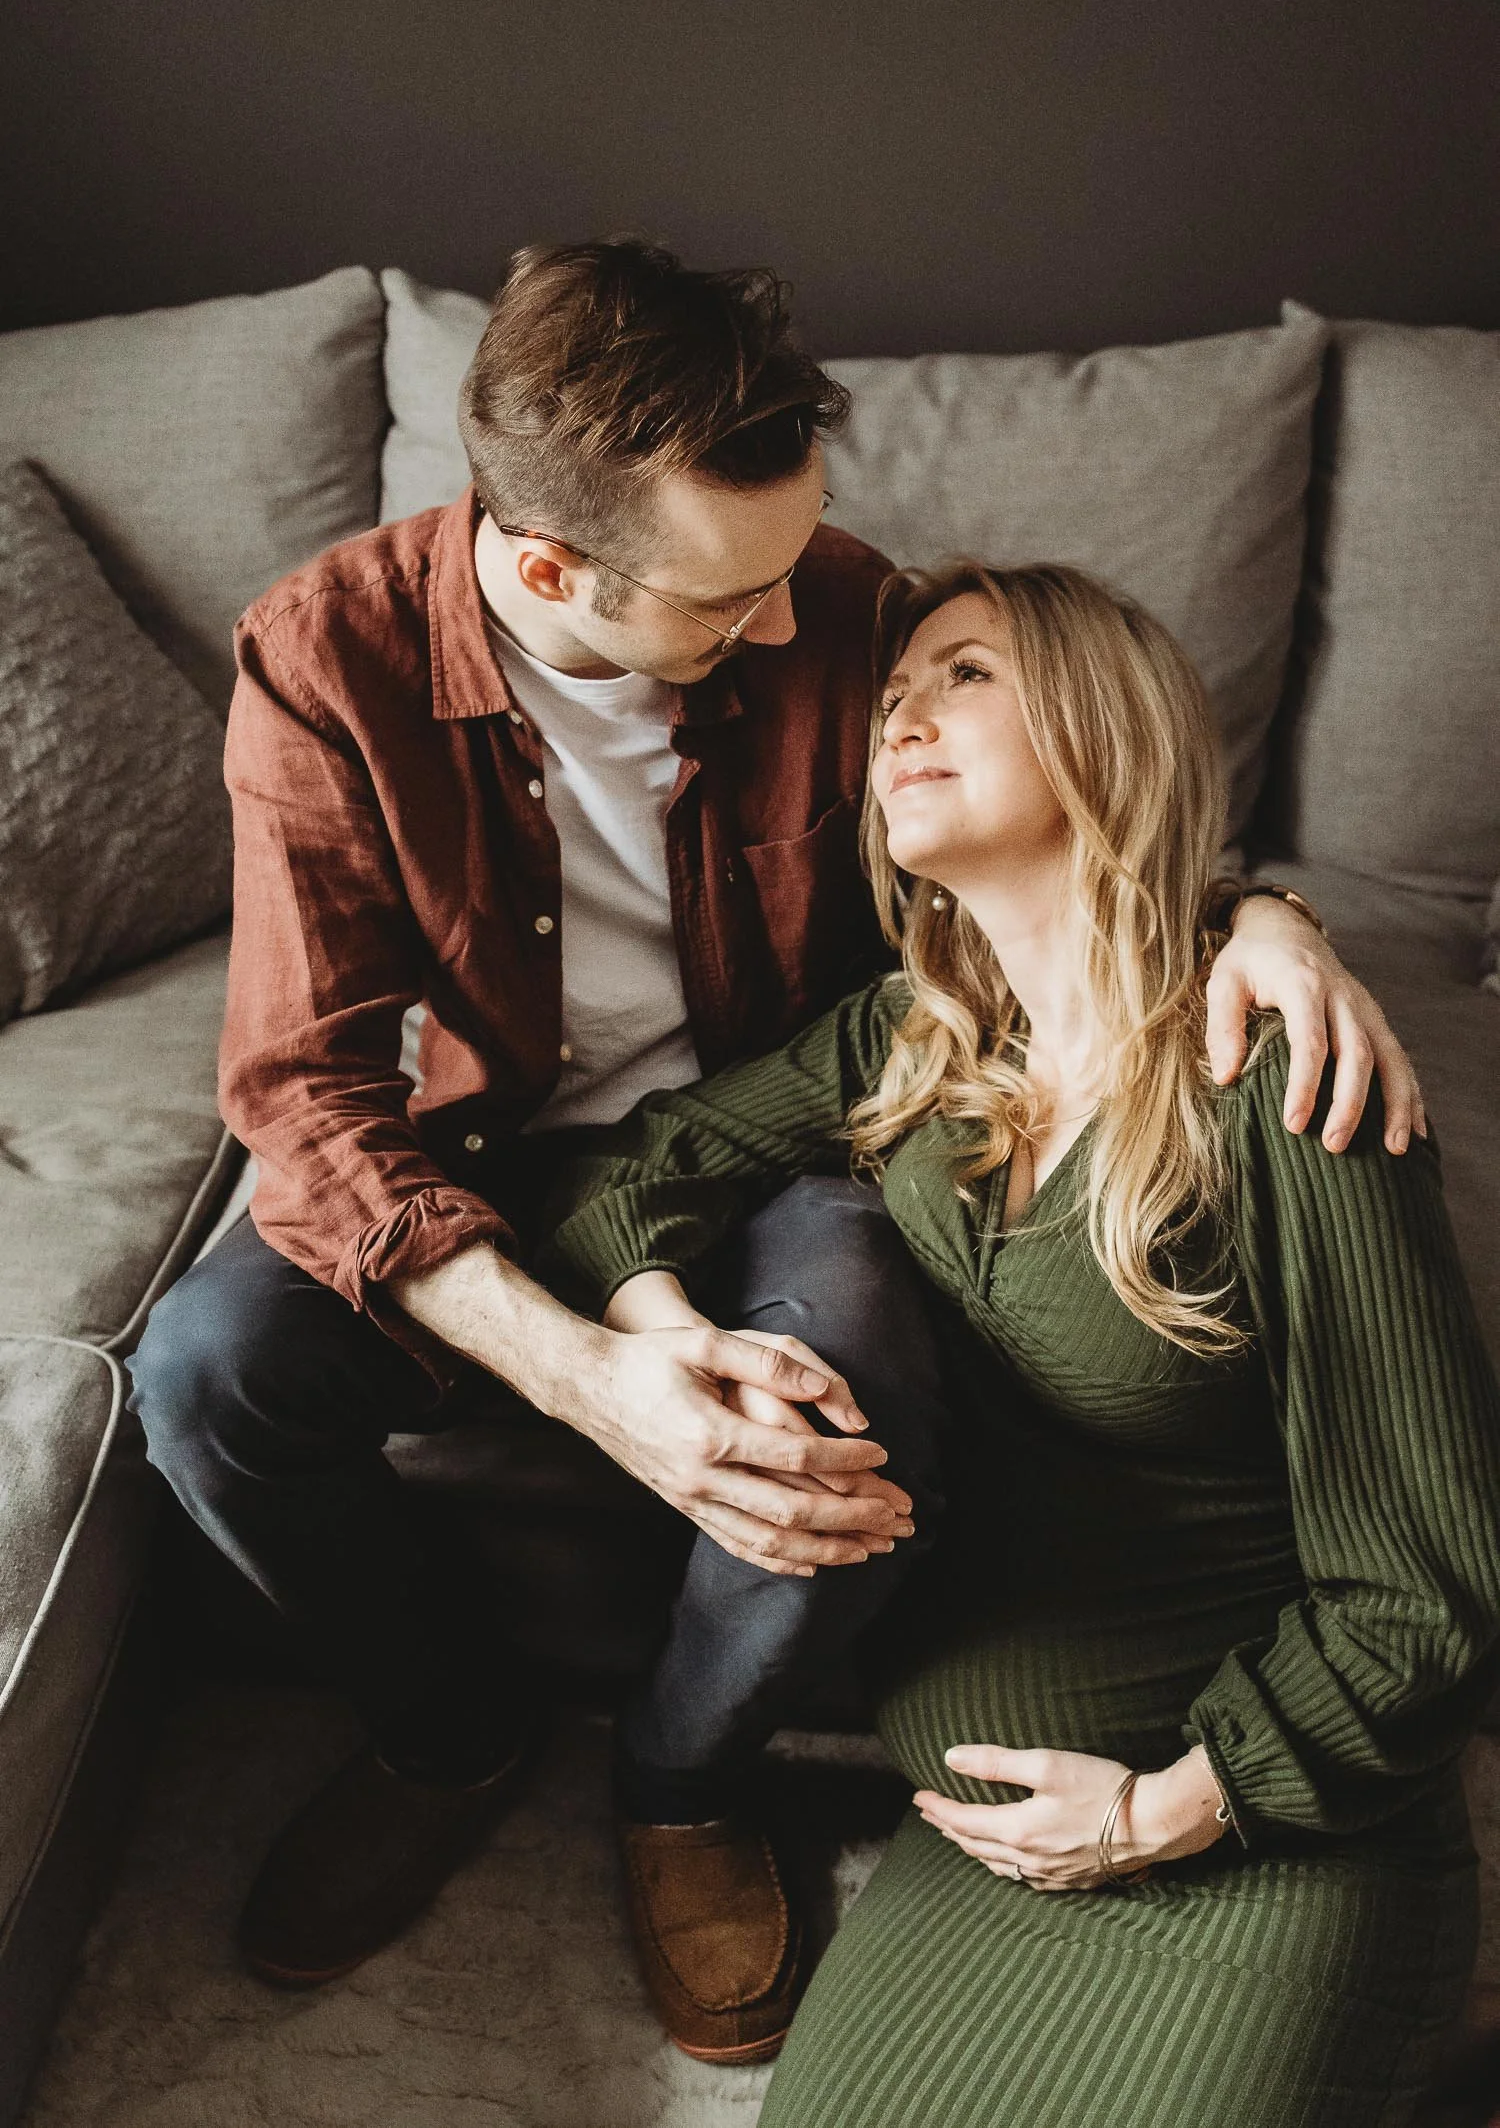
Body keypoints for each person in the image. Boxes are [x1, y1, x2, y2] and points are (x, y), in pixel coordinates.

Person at [127, 242, 1422, 2065]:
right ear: (553, 563)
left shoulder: (821, 592)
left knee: (859, 1370)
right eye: (729, 603)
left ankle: (680, 1775)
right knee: (204, 1373)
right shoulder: (325, 655)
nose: (804, 630)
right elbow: (303, 1094)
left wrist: (1253, 912)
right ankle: (443, 1723)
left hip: (762, 1133)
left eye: (801, 571)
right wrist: (599, 1375)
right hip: (468, 1159)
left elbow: (1049, 787)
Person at [545, 559, 1500, 2124]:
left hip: (1252, 1831)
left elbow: (1432, 1584)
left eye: (967, 675)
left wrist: (1159, 1812)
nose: (900, 715)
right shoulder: (912, 1046)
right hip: (985, 1846)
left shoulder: (1275, 1081)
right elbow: (634, 1171)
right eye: (895, 693)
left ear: (1107, 724)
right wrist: (659, 1341)